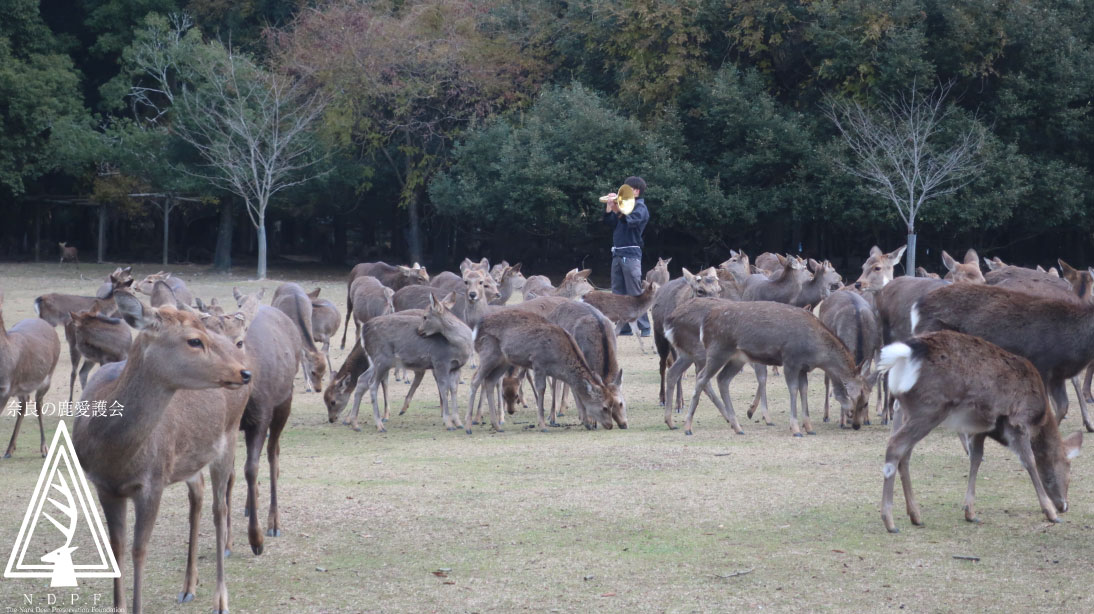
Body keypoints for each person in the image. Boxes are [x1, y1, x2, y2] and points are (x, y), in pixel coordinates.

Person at [603, 175, 650, 336]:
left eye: (629, 189)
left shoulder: (640, 208)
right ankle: (623, 326)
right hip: (617, 252)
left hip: (631, 254)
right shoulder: (624, 206)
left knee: (635, 291)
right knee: (618, 292)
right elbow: (610, 223)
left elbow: (630, 222)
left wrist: (618, 209)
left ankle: (644, 326)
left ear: (636, 191)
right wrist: (610, 208)